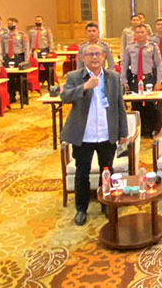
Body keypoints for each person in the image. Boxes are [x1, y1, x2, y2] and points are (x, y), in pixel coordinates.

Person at [60, 43, 129, 226]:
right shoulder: (74, 76)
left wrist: (123, 131)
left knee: (106, 170)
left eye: (98, 54)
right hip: (84, 135)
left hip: (106, 133)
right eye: (90, 54)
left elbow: (119, 105)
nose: (94, 57)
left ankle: (106, 204)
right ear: (83, 58)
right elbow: (65, 97)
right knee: (82, 172)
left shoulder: (113, 77)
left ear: (104, 56)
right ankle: (81, 209)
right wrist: (84, 87)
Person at [121, 24, 162, 138]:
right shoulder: (130, 48)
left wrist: (158, 82)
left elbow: (158, 65)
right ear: (135, 34)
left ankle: (151, 129)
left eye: (142, 32)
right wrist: (124, 81)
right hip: (134, 79)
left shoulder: (153, 47)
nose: (140, 34)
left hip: (149, 79)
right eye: (138, 32)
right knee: (136, 105)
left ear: (147, 34)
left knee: (151, 105)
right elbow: (125, 65)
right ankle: (139, 130)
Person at [1, 17, 29, 103]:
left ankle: (23, 97)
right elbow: (2, 48)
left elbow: (26, 49)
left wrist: (26, 61)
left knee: (21, 78)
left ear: (17, 24)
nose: (10, 25)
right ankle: (12, 96)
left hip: (18, 58)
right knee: (10, 79)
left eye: (12, 24)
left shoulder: (22, 35)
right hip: (7, 58)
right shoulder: (4, 36)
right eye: (8, 24)